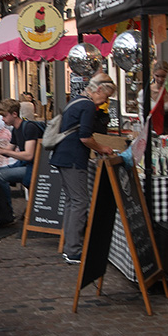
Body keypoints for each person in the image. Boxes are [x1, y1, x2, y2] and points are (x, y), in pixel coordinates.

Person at [51, 74, 118, 265]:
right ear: (98, 90)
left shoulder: (76, 101)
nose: (105, 102)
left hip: (63, 156)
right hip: (73, 158)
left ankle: (70, 247)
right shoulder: (88, 106)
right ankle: (74, 251)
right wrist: (102, 148)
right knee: (79, 203)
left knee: (73, 202)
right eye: (106, 97)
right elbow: (85, 137)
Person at [0, 99, 42, 230]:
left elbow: (29, 155)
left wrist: (2, 150)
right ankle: (2, 213)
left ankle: (7, 214)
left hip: (35, 167)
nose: (2, 119)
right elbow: (9, 150)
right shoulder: (16, 130)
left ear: (14, 114)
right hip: (25, 164)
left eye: (4, 116)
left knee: (0, 175)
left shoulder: (29, 127)